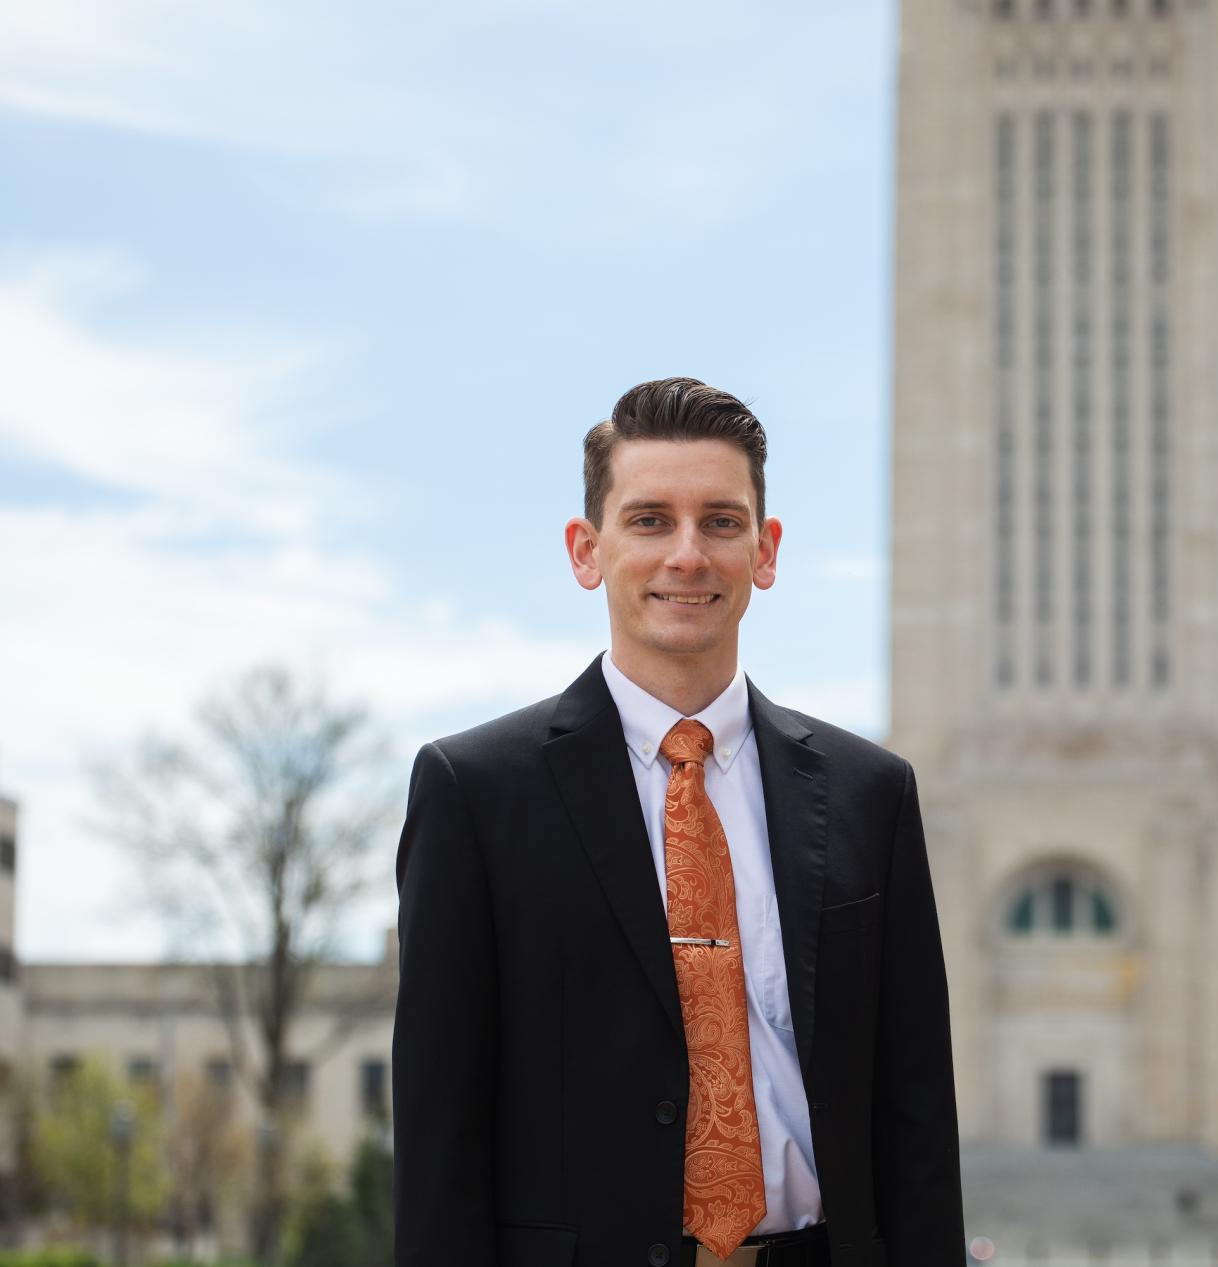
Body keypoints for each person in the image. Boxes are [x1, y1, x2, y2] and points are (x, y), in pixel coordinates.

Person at [392, 377, 964, 1267]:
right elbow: (439, 1125)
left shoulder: (869, 794)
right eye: (651, 519)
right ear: (588, 551)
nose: (687, 555)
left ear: (765, 552)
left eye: (722, 522)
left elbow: (917, 1109)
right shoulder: (474, 792)